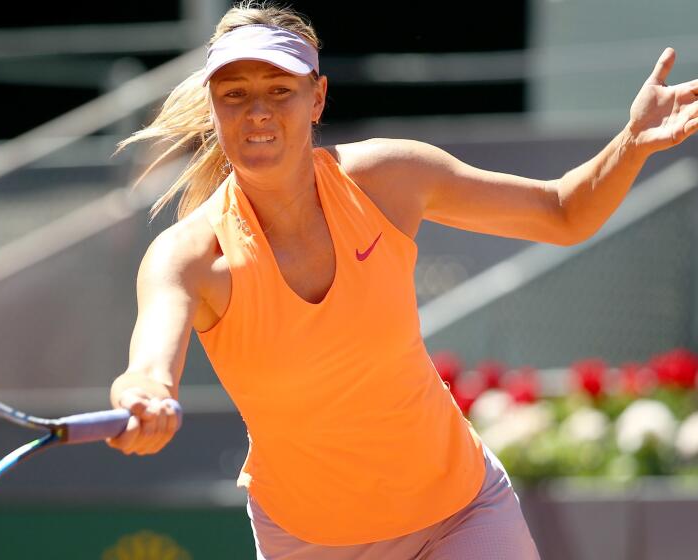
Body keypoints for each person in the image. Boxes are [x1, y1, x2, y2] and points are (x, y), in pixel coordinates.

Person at [105, 2, 698, 558]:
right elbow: (150, 366)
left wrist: (631, 144)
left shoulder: (389, 178)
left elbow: (562, 213)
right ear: (213, 108)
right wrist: (144, 396)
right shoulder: (186, 257)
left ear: (317, 99)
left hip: (463, 513)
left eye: (279, 90)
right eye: (235, 95)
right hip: (307, 540)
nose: (257, 111)